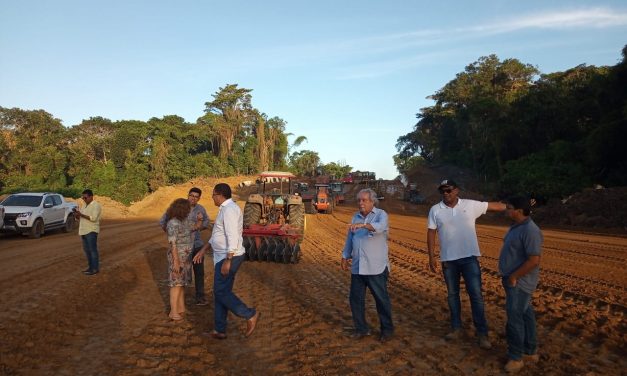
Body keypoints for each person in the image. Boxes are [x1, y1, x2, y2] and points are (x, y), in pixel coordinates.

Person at [426, 179, 506, 349]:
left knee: (476, 296)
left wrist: (518, 205)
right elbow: (431, 233)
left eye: (449, 190)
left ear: (457, 190)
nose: (446, 194)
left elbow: (495, 206)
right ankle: (456, 328)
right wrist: (432, 257)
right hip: (448, 260)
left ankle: (482, 333)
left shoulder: (470, 205)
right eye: (443, 191)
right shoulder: (435, 210)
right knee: (452, 295)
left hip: (470, 258)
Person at [193, 183, 259, 339]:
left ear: (220, 195)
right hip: (223, 256)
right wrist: (204, 249)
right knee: (221, 292)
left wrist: (228, 260)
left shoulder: (229, 210)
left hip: (229, 257)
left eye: (213, 195)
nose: (212, 198)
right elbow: (218, 234)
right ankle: (219, 329)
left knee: (220, 291)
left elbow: (233, 236)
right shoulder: (225, 209)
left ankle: (249, 314)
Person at [341, 188, 394, 342]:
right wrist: (345, 256)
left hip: (375, 267)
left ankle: (387, 330)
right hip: (358, 267)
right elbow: (350, 239)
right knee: (355, 299)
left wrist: (363, 226)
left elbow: (380, 227)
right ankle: (361, 329)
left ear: (372, 202)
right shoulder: (355, 217)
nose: (361, 203)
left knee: (381, 300)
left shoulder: (381, 215)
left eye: (364, 200)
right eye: (359, 200)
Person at [498, 197, 543, 373]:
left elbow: (534, 260)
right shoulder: (517, 227)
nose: (506, 210)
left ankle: (516, 357)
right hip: (515, 281)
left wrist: (514, 277)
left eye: (509, 207)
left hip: (520, 282)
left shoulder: (531, 231)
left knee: (514, 319)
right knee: (525, 315)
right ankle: (530, 351)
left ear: (519, 210)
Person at [160, 187, 210, 305]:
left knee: (199, 272)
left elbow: (206, 222)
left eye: (196, 196)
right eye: (191, 195)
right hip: (180, 248)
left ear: (199, 198)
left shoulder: (200, 209)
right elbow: (162, 222)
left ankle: (200, 297)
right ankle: (179, 302)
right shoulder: (179, 207)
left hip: (196, 245)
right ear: (188, 195)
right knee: (181, 274)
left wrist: (200, 225)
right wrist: (172, 235)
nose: (193, 198)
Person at [165, 198, 204, 321]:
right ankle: (173, 312)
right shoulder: (172, 223)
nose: (190, 210)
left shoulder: (185, 221)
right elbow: (173, 244)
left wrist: (200, 219)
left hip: (186, 257)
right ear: (182, 209)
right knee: (176, 284)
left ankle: (181, 307)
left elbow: (196, 227)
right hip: (177, 257)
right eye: (188, 208)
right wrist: (176, 261)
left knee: (182, 283)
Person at [74, 189, 102, 276]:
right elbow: (80, 218)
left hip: (91, 230)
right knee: (87, 250)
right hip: (84, 231)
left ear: (91, 196)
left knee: (92, 250)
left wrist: (81, 214)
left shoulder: (96, 205)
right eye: (83, 198)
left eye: (85, 197)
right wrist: (77, 215)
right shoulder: (84, 205)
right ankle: (90, 267)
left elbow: (93, 218)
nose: (84, 199)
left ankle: (95, 269)